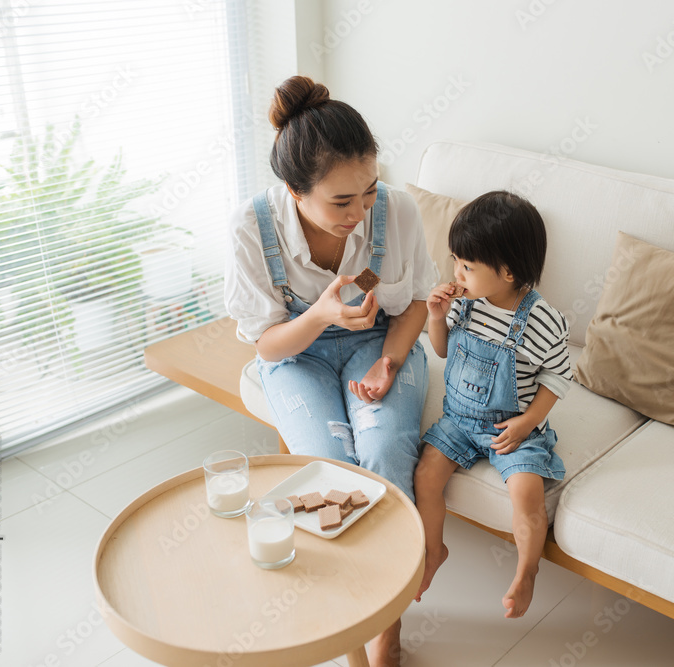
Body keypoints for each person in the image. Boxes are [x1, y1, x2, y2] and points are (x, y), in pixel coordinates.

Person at [224, 75, 437, 666]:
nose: (361, 211)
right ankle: (350, 635)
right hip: (297, 354)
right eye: (341, 201)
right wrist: (319, 314)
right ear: (294, 190)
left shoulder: (396, 211)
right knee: (329, 478)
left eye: (368, 191)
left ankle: (384, 638)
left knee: (385, 457)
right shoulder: (251, 229)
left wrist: (390, 362)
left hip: (381, 343)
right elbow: (266, 346)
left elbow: (416, 302)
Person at [414, 190, 572, 619]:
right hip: (459, 419)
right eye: (455, 261)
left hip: (510, 427)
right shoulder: (464, 304)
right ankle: (433, 550)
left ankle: (527, 571)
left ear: (506, 272)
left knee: (526, 492)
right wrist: (434, 315)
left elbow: (559, 376)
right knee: (426, 475)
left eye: (467, 266)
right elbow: (443, 351)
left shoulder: (540, 320)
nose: (456, 273)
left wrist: (529, 422)